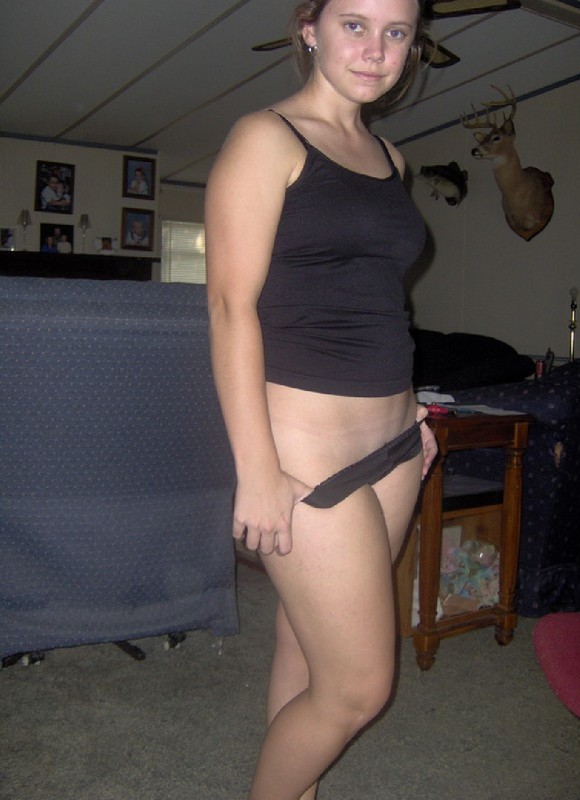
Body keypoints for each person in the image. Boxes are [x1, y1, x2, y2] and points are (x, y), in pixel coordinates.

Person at [205, 2, 437, 798]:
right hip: (305, 452)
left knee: (306, 646)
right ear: (310, 27)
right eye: (355, 24)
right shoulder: (265, 138)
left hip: (394, 442)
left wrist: (412, 410)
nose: (376, 50)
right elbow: (229, 306)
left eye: (396, 32)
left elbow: (377, 299)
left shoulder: (391, 157)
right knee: (359, 689)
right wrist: (256, 470)